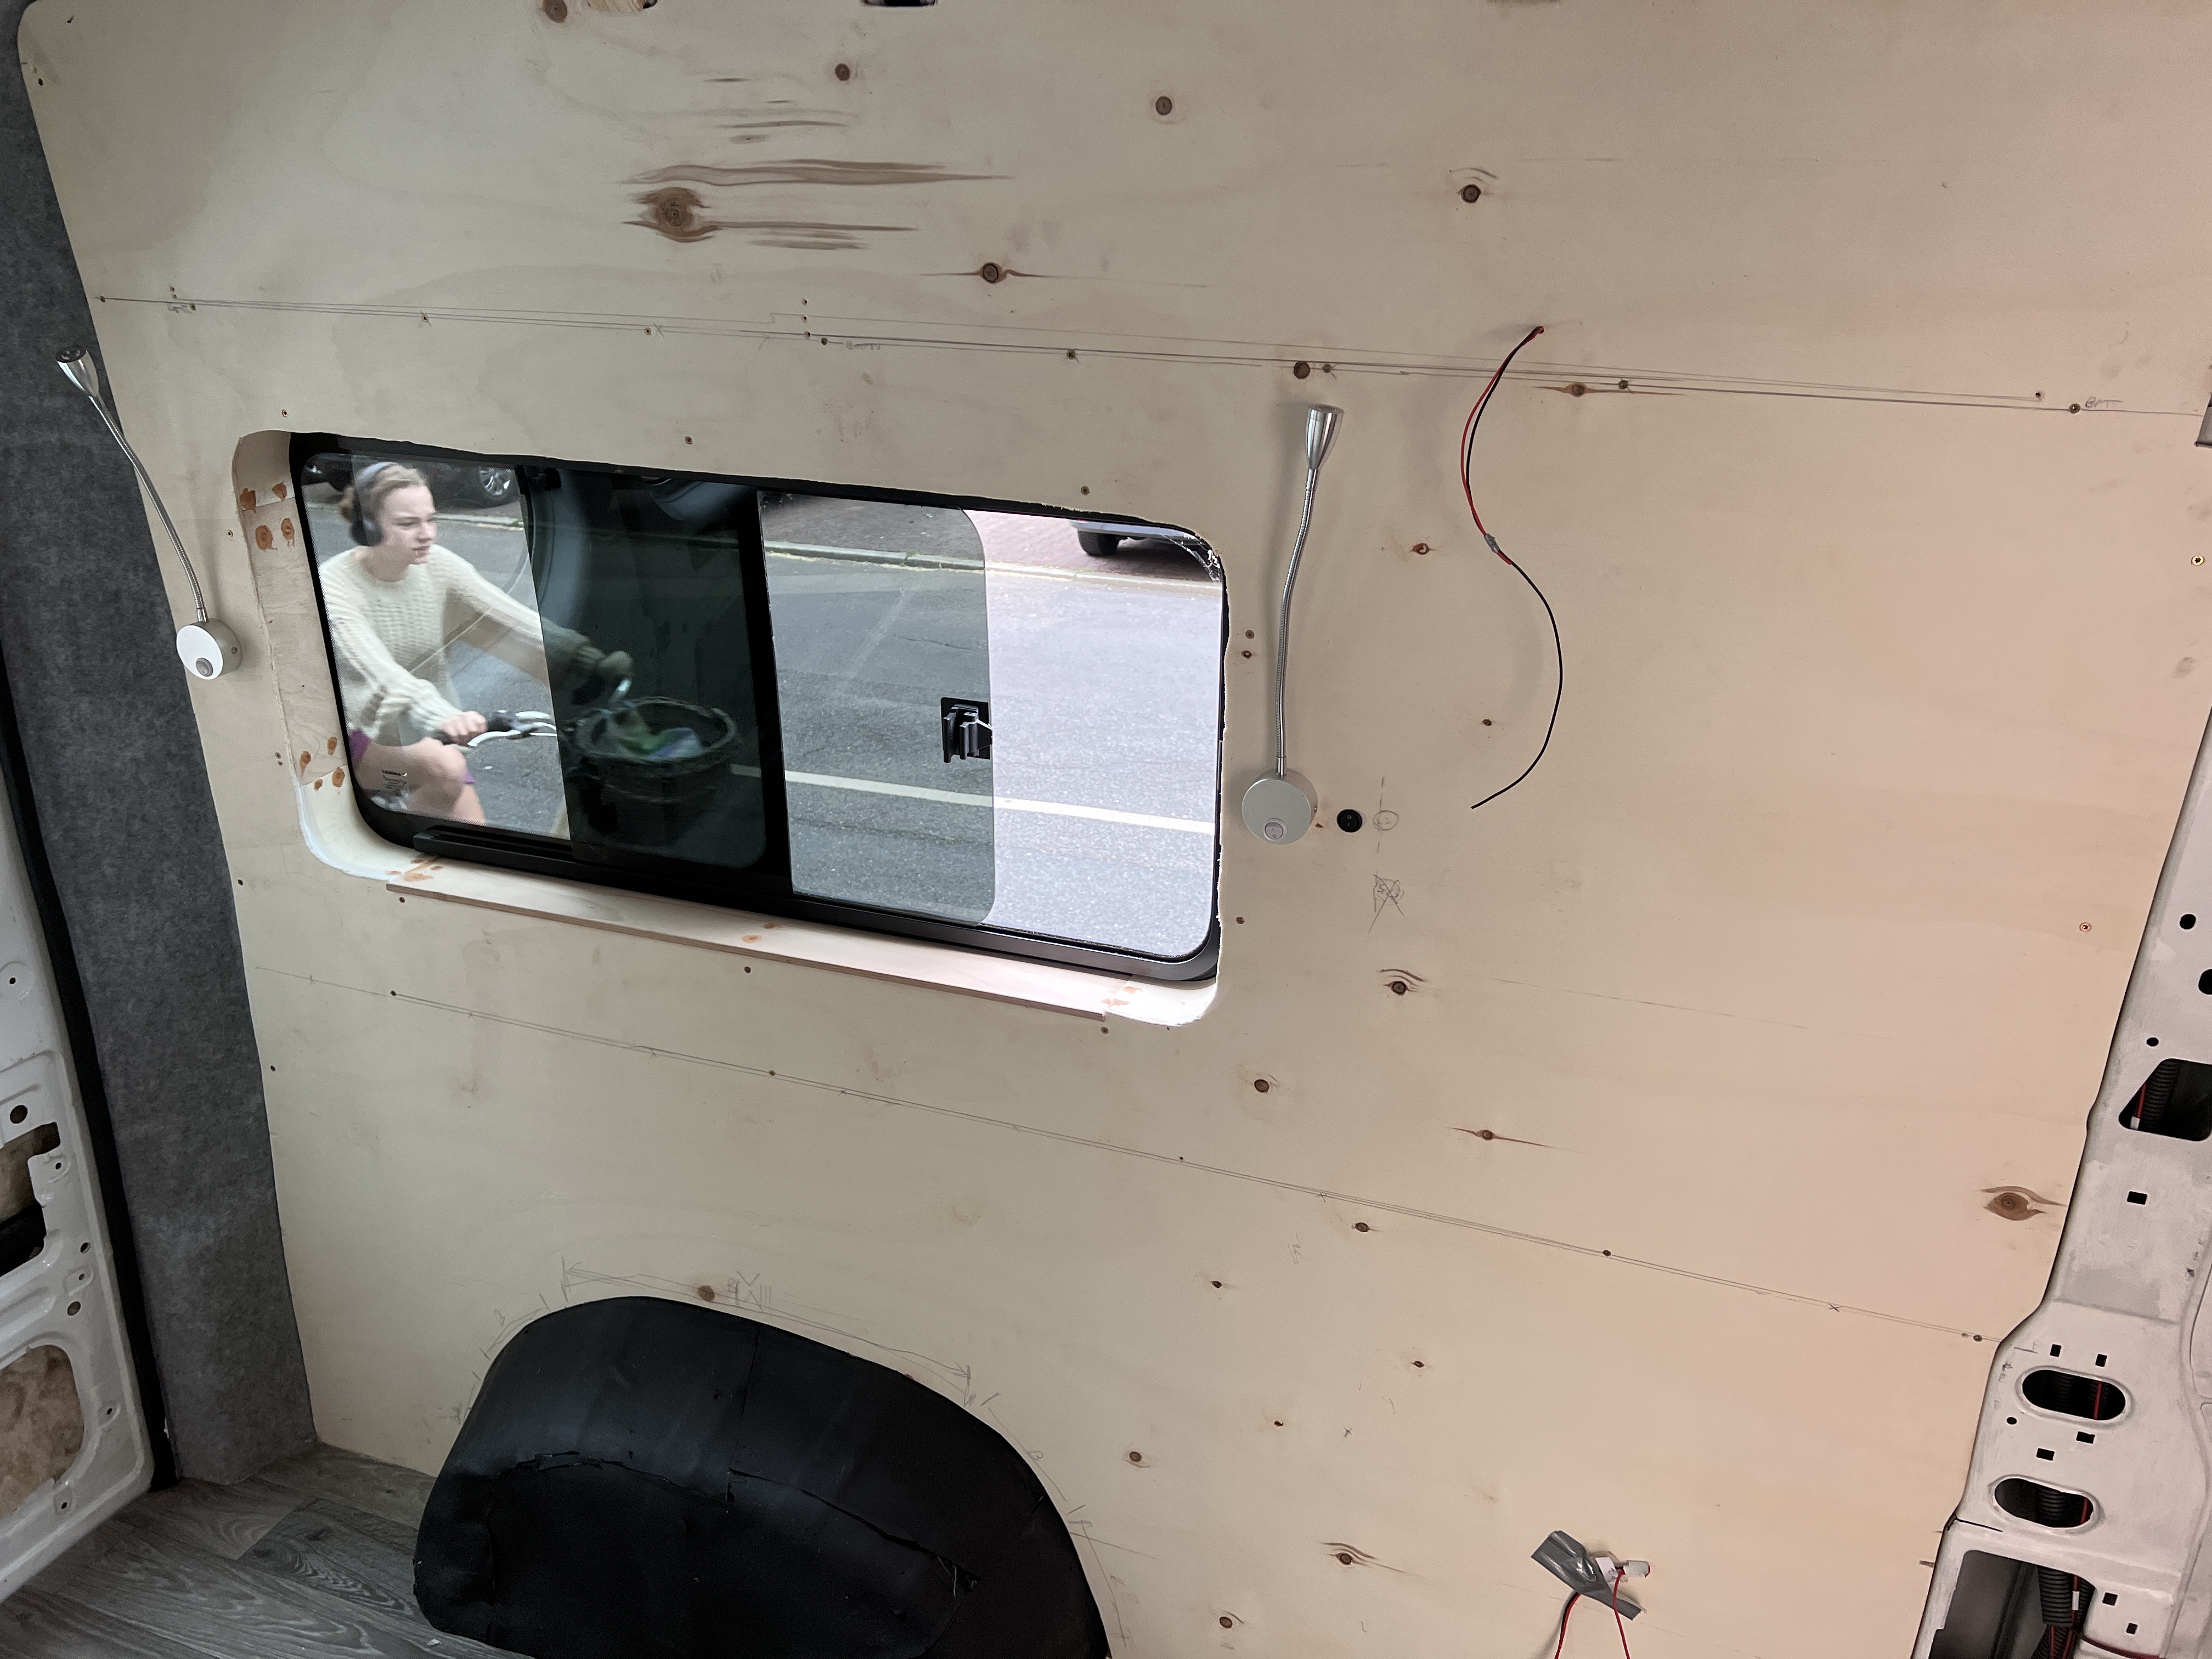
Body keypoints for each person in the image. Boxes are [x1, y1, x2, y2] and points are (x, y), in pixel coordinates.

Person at [320, 462, 624, 823]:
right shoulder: (334, 589)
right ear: (367, 528)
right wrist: (443, 716)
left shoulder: (437, 566)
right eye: (408, 524)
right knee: (444, 769)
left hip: (426, 728)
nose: (426, 534)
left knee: (478, 833)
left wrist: (584, 660)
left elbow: (507, 620)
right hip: (353, 735)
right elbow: (380, 676)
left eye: (431, 520)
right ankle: (388, 846)